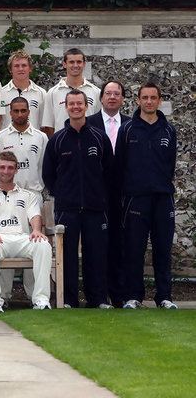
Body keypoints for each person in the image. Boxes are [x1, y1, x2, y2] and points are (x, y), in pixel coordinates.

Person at [42, 89, 113, 308]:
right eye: (71, 104)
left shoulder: (99, 137)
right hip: (67, 208)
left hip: (95, 207)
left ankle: (98, 299)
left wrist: (99, 196)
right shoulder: (57, 140)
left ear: (86, 106)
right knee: (68, 257)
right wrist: (63, 194)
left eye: (79, 104)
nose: (75, 107)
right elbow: (48, 175)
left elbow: (109, 172)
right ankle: (69, 300)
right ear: (66, 106)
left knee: (96, 255)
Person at [116, 82, 178, 309]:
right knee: (134, 249)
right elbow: (120, 165)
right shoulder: (128, 129)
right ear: (138, 100)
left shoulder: (169, 130)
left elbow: (169, 164)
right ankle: (133, 296)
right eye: (145, 97)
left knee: (163, 249)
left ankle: (164, 297)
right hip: (135, 198)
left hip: (163, 197)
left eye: (153, 97)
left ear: (159, 100)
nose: (149, 101)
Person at [0, 151, 53, 314]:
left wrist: (36, 230)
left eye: (10, 167)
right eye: (2, 167)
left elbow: (34, 215)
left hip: (22, 239)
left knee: (43, 245)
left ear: (16, 169)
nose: (6, 171)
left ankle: (41, 298)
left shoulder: (28, 195)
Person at [0, 96, 48, 299]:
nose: (19, 114)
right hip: (7, 196)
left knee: (33, 241)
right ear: (10, 113)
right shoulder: (0, 138)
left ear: (29, 112)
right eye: (15, 111)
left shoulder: (41, 137)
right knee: (6, 239)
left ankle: (34, 295)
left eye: (23, 111)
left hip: (32, 195)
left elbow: (42, 167)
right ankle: (4, 295)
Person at [87, 80, 130, 306]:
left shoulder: (132, 125)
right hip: (96, 194)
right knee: (96, 246)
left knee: (119, 245)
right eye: (108, 93)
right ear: (101, 98)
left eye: (117, 94)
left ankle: (119, 295)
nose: (112, 97)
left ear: (122, 99)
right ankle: (97, 296)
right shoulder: (89, 123)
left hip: (122, 195)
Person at [41, 48, 101, 136]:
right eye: (71, 62)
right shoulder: (53, 93)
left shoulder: (96, 92)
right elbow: (49, 126)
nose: (75, 65)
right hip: (62, 146)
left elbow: (98, 123)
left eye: (79, 62)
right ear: (64, 64)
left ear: (84, 64)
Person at [0, 50, 46, 129]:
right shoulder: (1, 93)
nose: (20, 69)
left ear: (30, 68)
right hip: (7, 140)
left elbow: (45, 125)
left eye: (24, 65)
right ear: (10, 70)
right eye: (16, 66)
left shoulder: (41, 94)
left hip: (34, 140)